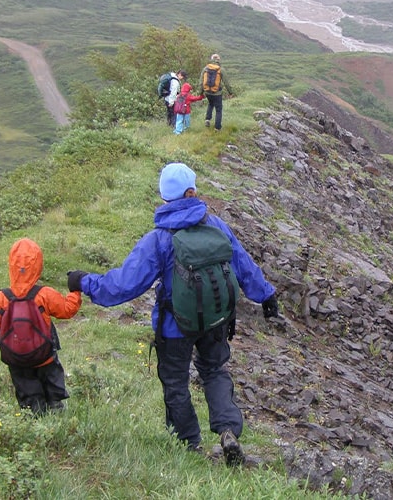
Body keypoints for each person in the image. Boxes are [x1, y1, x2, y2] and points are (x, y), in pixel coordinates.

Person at [67, 162, 281, 464]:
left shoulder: (159, 239)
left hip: (174, 325)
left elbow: (123, 285)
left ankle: (189, 445)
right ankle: (228, 430)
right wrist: (267, 295)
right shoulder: (216, 226)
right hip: (216, 318)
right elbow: (243, 265)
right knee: (214, 371)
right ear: (192, 191)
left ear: (164, 197)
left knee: (176, 382)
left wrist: (84, 282)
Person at [0, 237, 83, 413]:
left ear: (11, 265)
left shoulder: (1, 298)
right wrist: (75, 290)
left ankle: (34, 416)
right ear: (38, 265)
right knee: (53, 388)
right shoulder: (44, 294)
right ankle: (55, 408)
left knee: (29, 396)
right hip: (45, 356)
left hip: (16, 359)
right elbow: (67, 310)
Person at [200, 54, 233, 131]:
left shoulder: (205, 68)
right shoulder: (221, 69)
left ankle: (207, 119)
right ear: (218, 60)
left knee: (210, 104)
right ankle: (217, 128)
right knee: (218, 110)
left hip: (207, 92)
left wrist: (201, 92)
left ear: (211, 59)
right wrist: (230, 92)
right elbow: (226, 83)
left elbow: (201, 82)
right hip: (217, 93)